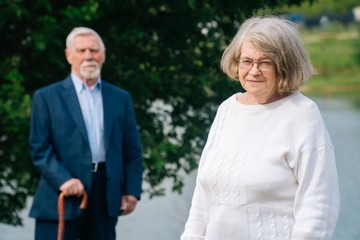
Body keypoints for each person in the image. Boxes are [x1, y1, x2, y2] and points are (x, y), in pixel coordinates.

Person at [181, 15, 340, 240]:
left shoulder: (303, 114)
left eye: (265, 62)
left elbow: (318, 207)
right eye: (247, 61)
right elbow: (202, 197)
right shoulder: (227, 110)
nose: (254, 70)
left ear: (285, 65)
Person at [28, 27, 143, 240]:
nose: (88, 56)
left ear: (103, 55)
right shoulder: (46, 97)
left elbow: (133, 151)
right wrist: (63, 179)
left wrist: (131, 190)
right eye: (81, 50)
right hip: (60, 195)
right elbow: (39, 148)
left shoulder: (120, 98)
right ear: (68, 55)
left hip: (105, 195)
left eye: (94, 50)